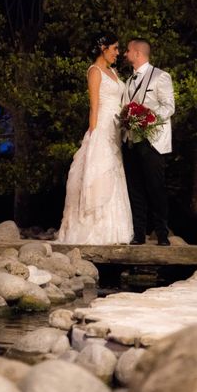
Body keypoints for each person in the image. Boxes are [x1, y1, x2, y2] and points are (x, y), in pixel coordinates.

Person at [57, 33, 133, 244]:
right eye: (115, 48)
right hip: (102, 128)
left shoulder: (114, 72)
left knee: (114, 174)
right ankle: (92, 231)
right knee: (99, 173)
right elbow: (94, 105)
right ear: (103, 48)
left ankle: (114, 232)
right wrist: (93, 134)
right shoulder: (95, 71)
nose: (118, 53)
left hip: (116, 128)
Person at [122, 38, 175, 246]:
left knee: (156, 188)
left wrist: (148, 117)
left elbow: (169, 106)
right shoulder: (128, 81)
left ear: (137, 53)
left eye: (128, 51)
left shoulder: (161, 76)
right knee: (135, 189)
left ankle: (162, 234)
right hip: (132, 141)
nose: (125, 54)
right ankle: (139, 234)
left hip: (153, 142)